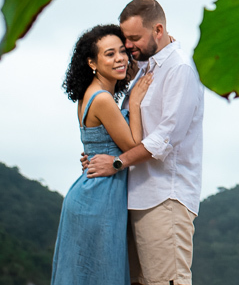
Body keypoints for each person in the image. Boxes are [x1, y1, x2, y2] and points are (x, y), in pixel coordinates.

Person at [85, 0, 204, 285]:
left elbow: (165, 139)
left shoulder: (180, 70)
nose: (128, 46)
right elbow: (128, 128)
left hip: (165, 198)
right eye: (125, 38)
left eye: (134, 38)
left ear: (158, 30)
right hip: (133, 197)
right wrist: (99, 154)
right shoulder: (146, 69)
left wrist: (116, 162)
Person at [53, 24, 153, 285]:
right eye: (109, 54)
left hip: (92, 191)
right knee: (99, 275)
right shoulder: (103, 99)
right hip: (100, 197)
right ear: (91, 62)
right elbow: (133, 145)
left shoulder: (91, 95)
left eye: (122, 51)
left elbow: (96, 146)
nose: (120, 58)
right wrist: (135, 102)